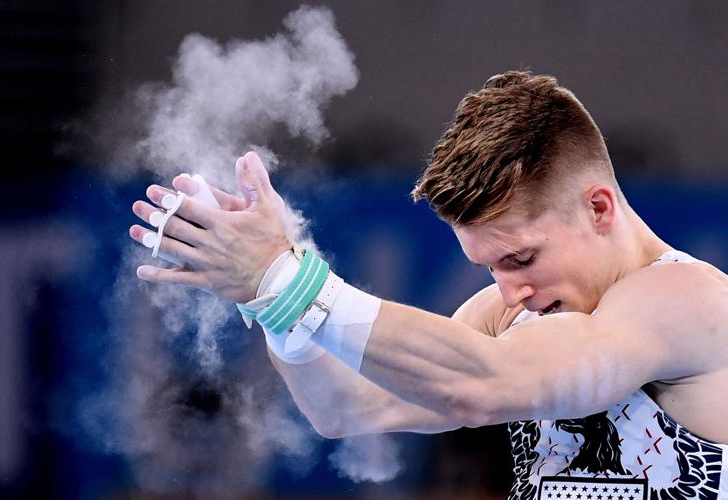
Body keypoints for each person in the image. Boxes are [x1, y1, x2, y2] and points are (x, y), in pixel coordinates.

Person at [129, 71, 728, 499]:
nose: (509, 290)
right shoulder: (511, 316)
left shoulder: (690, 302)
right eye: (489, 266)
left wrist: (288, 277)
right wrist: (273, 299)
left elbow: (484, 386)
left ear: (598, 207)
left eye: (521, 257)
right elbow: (347, 407)